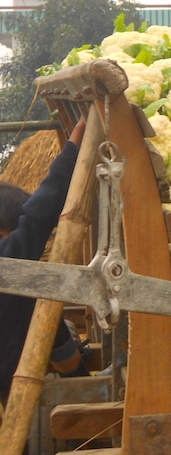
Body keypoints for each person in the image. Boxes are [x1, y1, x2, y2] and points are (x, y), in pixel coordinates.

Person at [0, 119, 89, 403]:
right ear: (4, 232)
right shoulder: (8, 258)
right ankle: (79, 381)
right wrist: (73, 145)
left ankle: (78, 378)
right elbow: (39, 216)